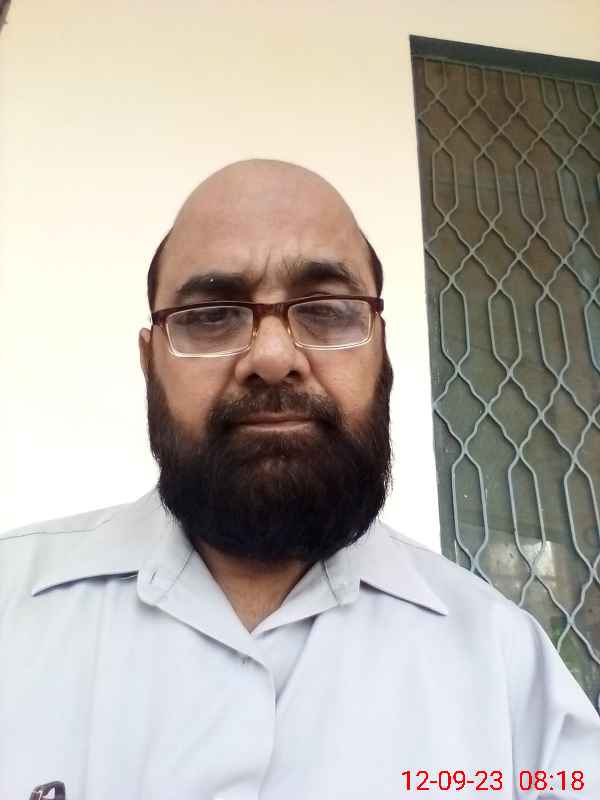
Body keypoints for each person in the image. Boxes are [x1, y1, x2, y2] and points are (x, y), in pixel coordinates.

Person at [1, 159, 599, 800]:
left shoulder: (508, 675)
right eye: (211, 315)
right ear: (150, 362)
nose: (272, 357)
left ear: (381, 350)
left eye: (329, 311)